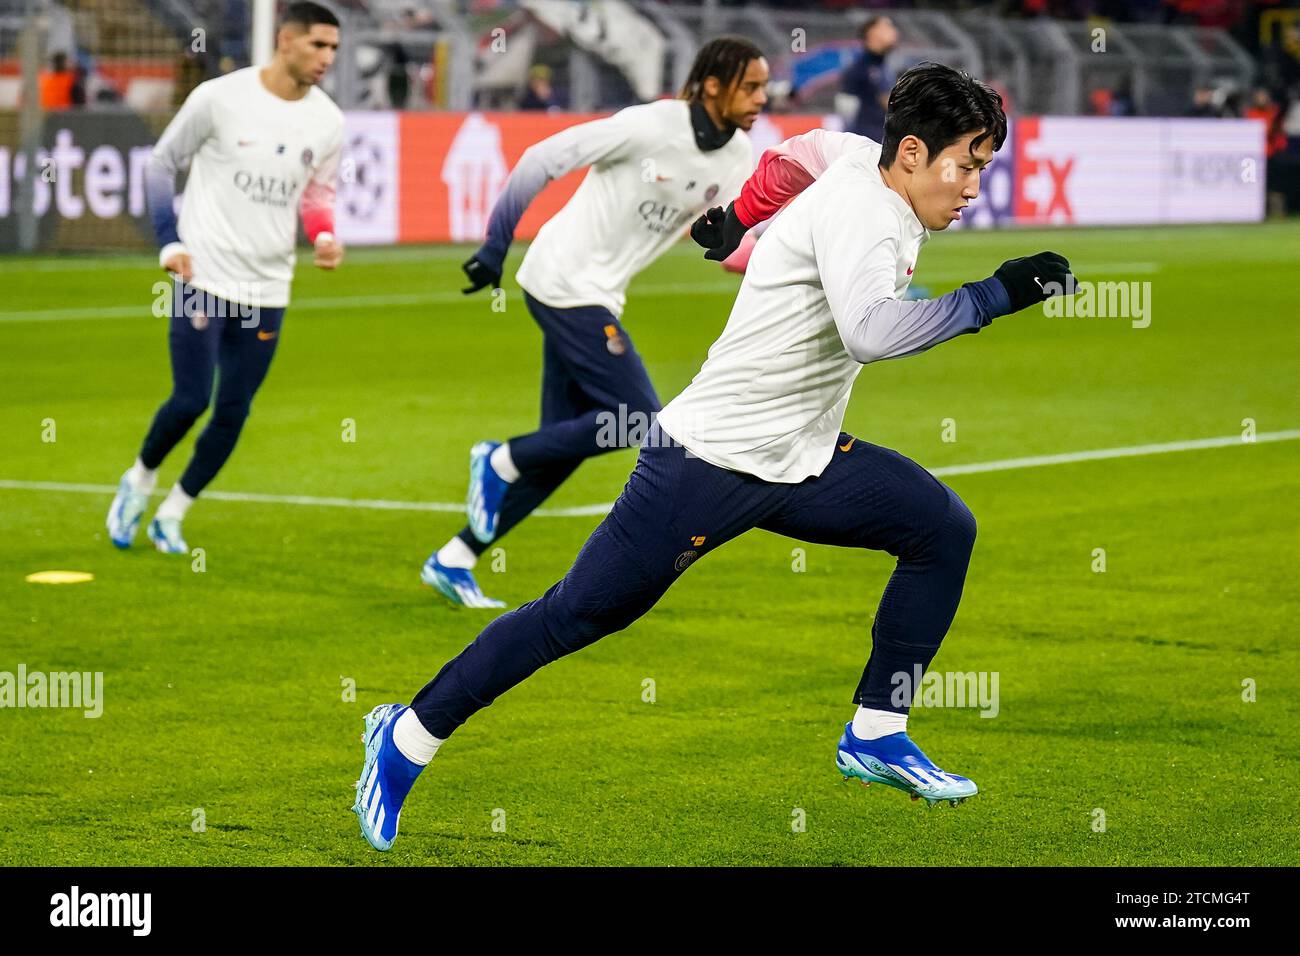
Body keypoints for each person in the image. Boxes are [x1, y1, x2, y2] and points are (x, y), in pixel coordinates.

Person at [353, 62, 1078, 852]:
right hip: (709, 462)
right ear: (910, 152)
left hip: (799, 458)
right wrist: (994, 296)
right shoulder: (864, 214)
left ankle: (875, 732)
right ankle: (407, 735)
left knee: (941, 529)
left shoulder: (853, 157)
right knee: (577, 615)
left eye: (981, 167)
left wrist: (739, 214)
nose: (973, 184)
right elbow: (871, 332)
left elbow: (796, 152)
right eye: (967, 164)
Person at [420, 36, 769, 608]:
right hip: (564, 282)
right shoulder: (650, 127)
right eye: (750, 86)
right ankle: (499, 457)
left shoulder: (736, 157)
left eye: (763, 86)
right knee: (638, 418)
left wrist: (794, 268)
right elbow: (542, 159)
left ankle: (456, 557)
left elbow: (723, 244)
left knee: (563, 446)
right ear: (713, 85)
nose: (761, 97)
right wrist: (495, 243)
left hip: (598, 296)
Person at [105, 2, 345, 554]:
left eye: (334, 48)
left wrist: (325, 235)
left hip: (268, 286)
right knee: (190, 399)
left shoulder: (328, 121)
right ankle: (138, 480)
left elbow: (317, 193)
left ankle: (175, 511)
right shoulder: (220, 98)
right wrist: (169, 240)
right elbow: (161, 165)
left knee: (233, 411)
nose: (327, 58)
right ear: (286, 40)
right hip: (204, 274)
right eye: (318, 45)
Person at [841, 15, 898, 142]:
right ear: (871, 33)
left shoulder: (881, 65)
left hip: (880, 137)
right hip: (866, 140)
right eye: (886, 27)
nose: (894, 31)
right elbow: (888, 102)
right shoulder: (863, 68)